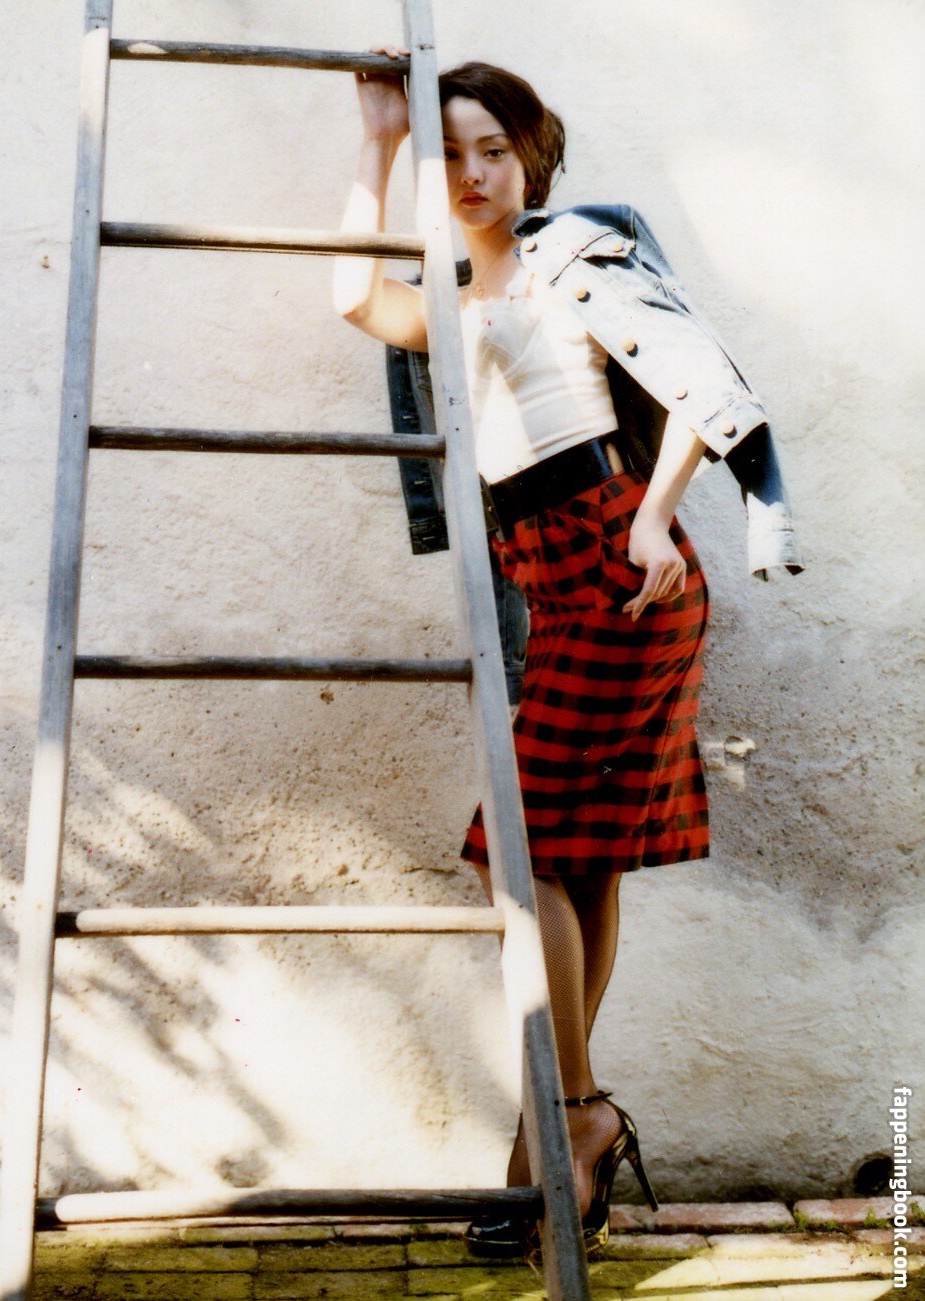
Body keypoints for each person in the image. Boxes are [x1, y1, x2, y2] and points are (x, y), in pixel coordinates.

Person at [332, 48, 801, 1258]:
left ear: (528, 159)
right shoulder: (450, 295)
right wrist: (379, 139)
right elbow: (352, 298)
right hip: (551, 573)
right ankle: (555, 1129)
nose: (472, 171)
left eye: (492, 149)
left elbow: (699, 374)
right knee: (579, 861)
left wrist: (655, 512)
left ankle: (571, 1114)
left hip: (618, 561)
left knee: (525, 846)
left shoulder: (570, 259)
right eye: (450, 153)